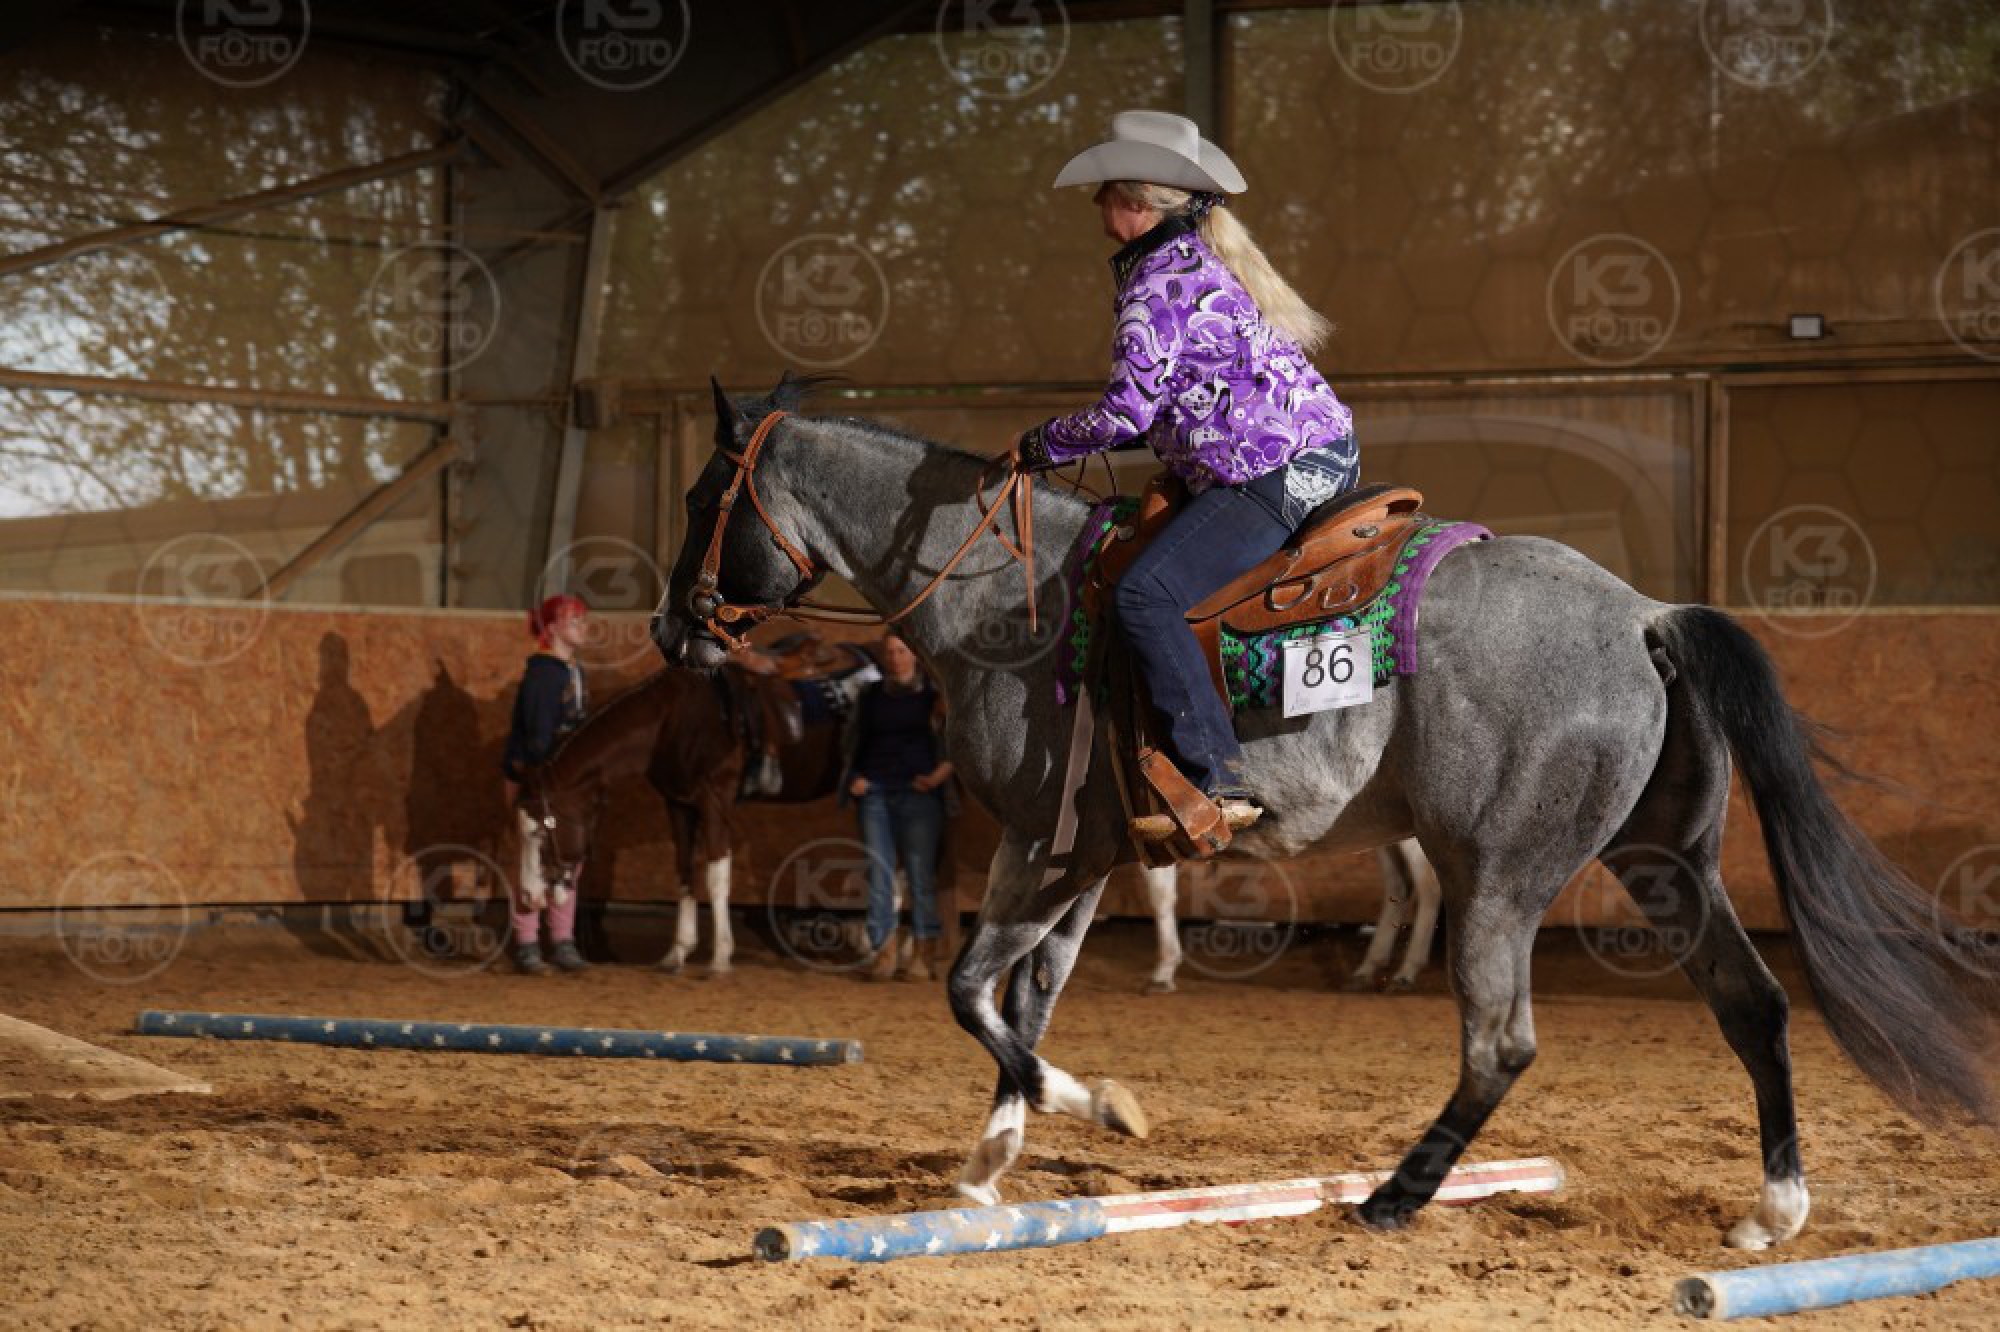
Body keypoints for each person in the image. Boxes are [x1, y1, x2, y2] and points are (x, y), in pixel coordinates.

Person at [1012, 110, 1358, 821]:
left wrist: (1035, 447)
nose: (1097, 203)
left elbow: (1125, 413)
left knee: (1144, 596)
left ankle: (1216, 779)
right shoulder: (1199, 261)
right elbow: (1181, 401)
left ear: (1134, 201)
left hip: (1273, 473)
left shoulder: (1155, 283)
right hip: (1318, 455)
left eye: (1106, 189)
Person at [840, 633, 954, 982]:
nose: (895, 658)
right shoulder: (870, 695)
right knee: (879, 874)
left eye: (901, 651)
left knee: (920, 875)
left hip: (918, 794)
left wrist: (938, 777)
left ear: (914, 655)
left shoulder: (934, 697)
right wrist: (854, 776)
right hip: (874, 792)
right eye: (889, 652)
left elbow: (957, 742)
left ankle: (923, 953)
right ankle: (884, 952)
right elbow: (852, 740)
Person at [501, 594, 592, 975]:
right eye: (575, 620)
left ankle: (562, 937)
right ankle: (526, 942)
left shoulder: (573, 671)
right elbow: (538, 739)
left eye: (583, 620)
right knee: (536, 857)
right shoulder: (544, 675)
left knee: (567, 856)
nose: (583, 626)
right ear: (552, 628)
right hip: (541, 781)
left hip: (564, 781)